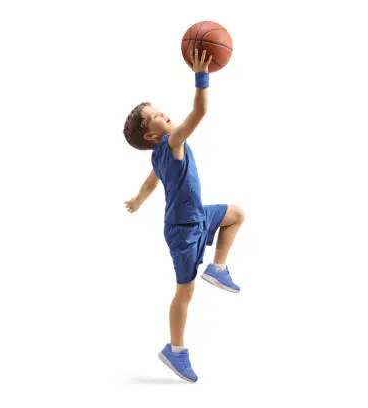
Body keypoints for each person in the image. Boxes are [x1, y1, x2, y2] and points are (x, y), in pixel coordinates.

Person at [123, 48, 245, 383]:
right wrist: (201, 75)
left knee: (235, 214)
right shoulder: (173, 142)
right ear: (152, 135)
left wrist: (137, 200)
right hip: (183, 230)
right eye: (158, 117)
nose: (165, 115)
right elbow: (200, 110)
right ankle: (175, 350)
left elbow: (150, 184)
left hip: (195, 216)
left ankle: (218, 267)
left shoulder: (158, 156)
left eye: (161, 111)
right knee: (184, 293)